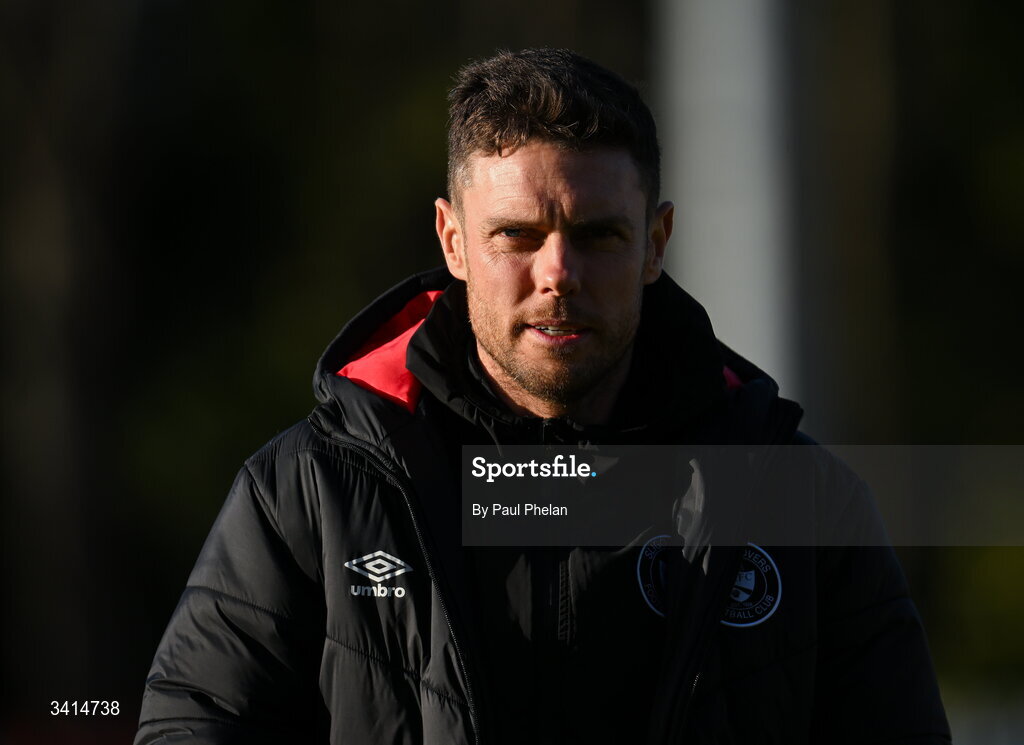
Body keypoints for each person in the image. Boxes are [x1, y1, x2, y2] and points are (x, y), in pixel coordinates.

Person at [135, 48, 951, 744]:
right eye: (517, 235)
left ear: (656, 244)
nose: (557, 273)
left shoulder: (805, 505)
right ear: (454, 240)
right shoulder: (306, 498)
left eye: (598, 235)